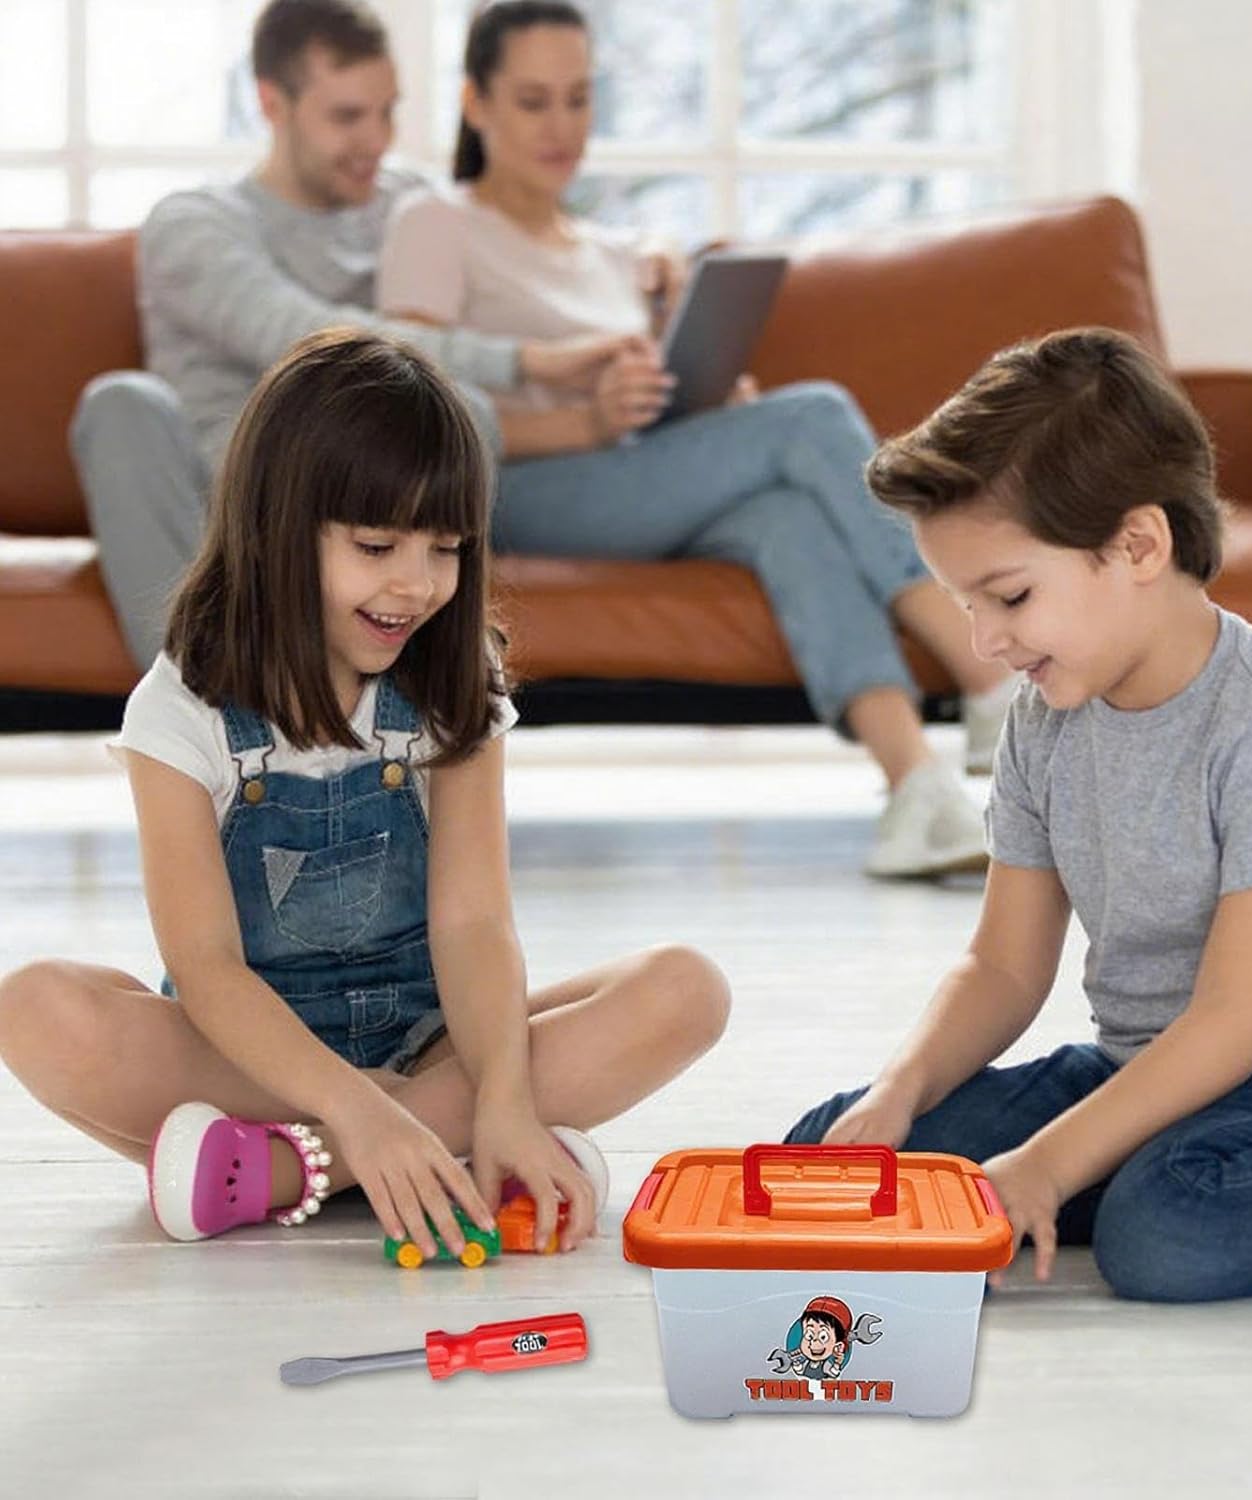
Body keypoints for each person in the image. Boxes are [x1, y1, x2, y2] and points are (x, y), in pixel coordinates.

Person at [783, 325, 1252, 1301]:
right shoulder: (1045, 719)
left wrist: (1044, 1165)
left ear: (1138, 545)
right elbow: (1002, 967)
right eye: (966, 607)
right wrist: (898, 1092)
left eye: (1009, 597)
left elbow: (1234, 1025)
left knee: (1167, 1232)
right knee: (828, 1153)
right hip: (1143, 1065)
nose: (986, 643)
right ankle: (1125, 1171)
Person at [0, 330, 730, 1256]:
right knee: (34, 1009)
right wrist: (360, 1108)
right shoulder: (180, 710)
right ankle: (433, 1145)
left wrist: (505, 1095)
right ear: (275, 529)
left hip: (430, 1042)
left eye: (446, 548)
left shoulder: (455, 682)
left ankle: (286, 1172)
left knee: (684, 990)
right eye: (377, 544)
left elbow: (473, 926)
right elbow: (210, 968)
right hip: (250, 1064)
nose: (416, 585)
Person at [376, 0, 1020, 880]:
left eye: (578, 98)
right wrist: (586, 422)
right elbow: (410, 412)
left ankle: (916, 789)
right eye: (532, 101)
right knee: (814, 415)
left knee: (786, 516)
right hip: (519, 489)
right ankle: (985, 669)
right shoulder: (434, 224)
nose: (561, 126)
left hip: (633, 480)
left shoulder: (613, 251)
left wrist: (710, 405)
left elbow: (648, 410)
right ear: (475, 103)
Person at [75, 0, 630, 671]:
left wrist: (638, 260)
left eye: (387, 112)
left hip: (359, 505)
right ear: (272, 104)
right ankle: (194, 703)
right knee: (121, 403)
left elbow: (520, 253)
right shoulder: (196, 223)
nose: (375, 140)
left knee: (466, 412)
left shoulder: (408, 205)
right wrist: (528, 362)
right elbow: (309, 339)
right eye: (346, 116)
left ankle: (409, 697)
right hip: (232, 509)